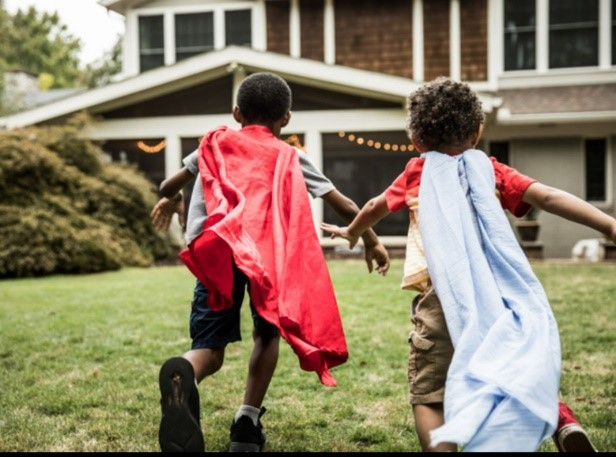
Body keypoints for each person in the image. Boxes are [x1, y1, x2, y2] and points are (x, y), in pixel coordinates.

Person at [321, 77, 613, 452]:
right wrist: (608, 224)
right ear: (478, 132)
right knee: (513, 361)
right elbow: (549, 197)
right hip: (499, 293)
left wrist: (351, 232)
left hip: (442, 297)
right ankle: (562, 421)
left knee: (429, 394)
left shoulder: (418, 173)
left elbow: (376, 205)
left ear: (415, 140)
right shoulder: (491, 171)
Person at [151, 71, 390, 453]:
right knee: (267, 335)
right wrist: (372, 242)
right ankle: (246, 422)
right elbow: (344, 204)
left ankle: (185, 371)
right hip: (269, 259)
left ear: (236, 113)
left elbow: (166, 187)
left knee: (210, 349)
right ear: (286, 119)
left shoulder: (215, 143)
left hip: (221, 252)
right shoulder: (292, 155)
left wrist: (174, 197)